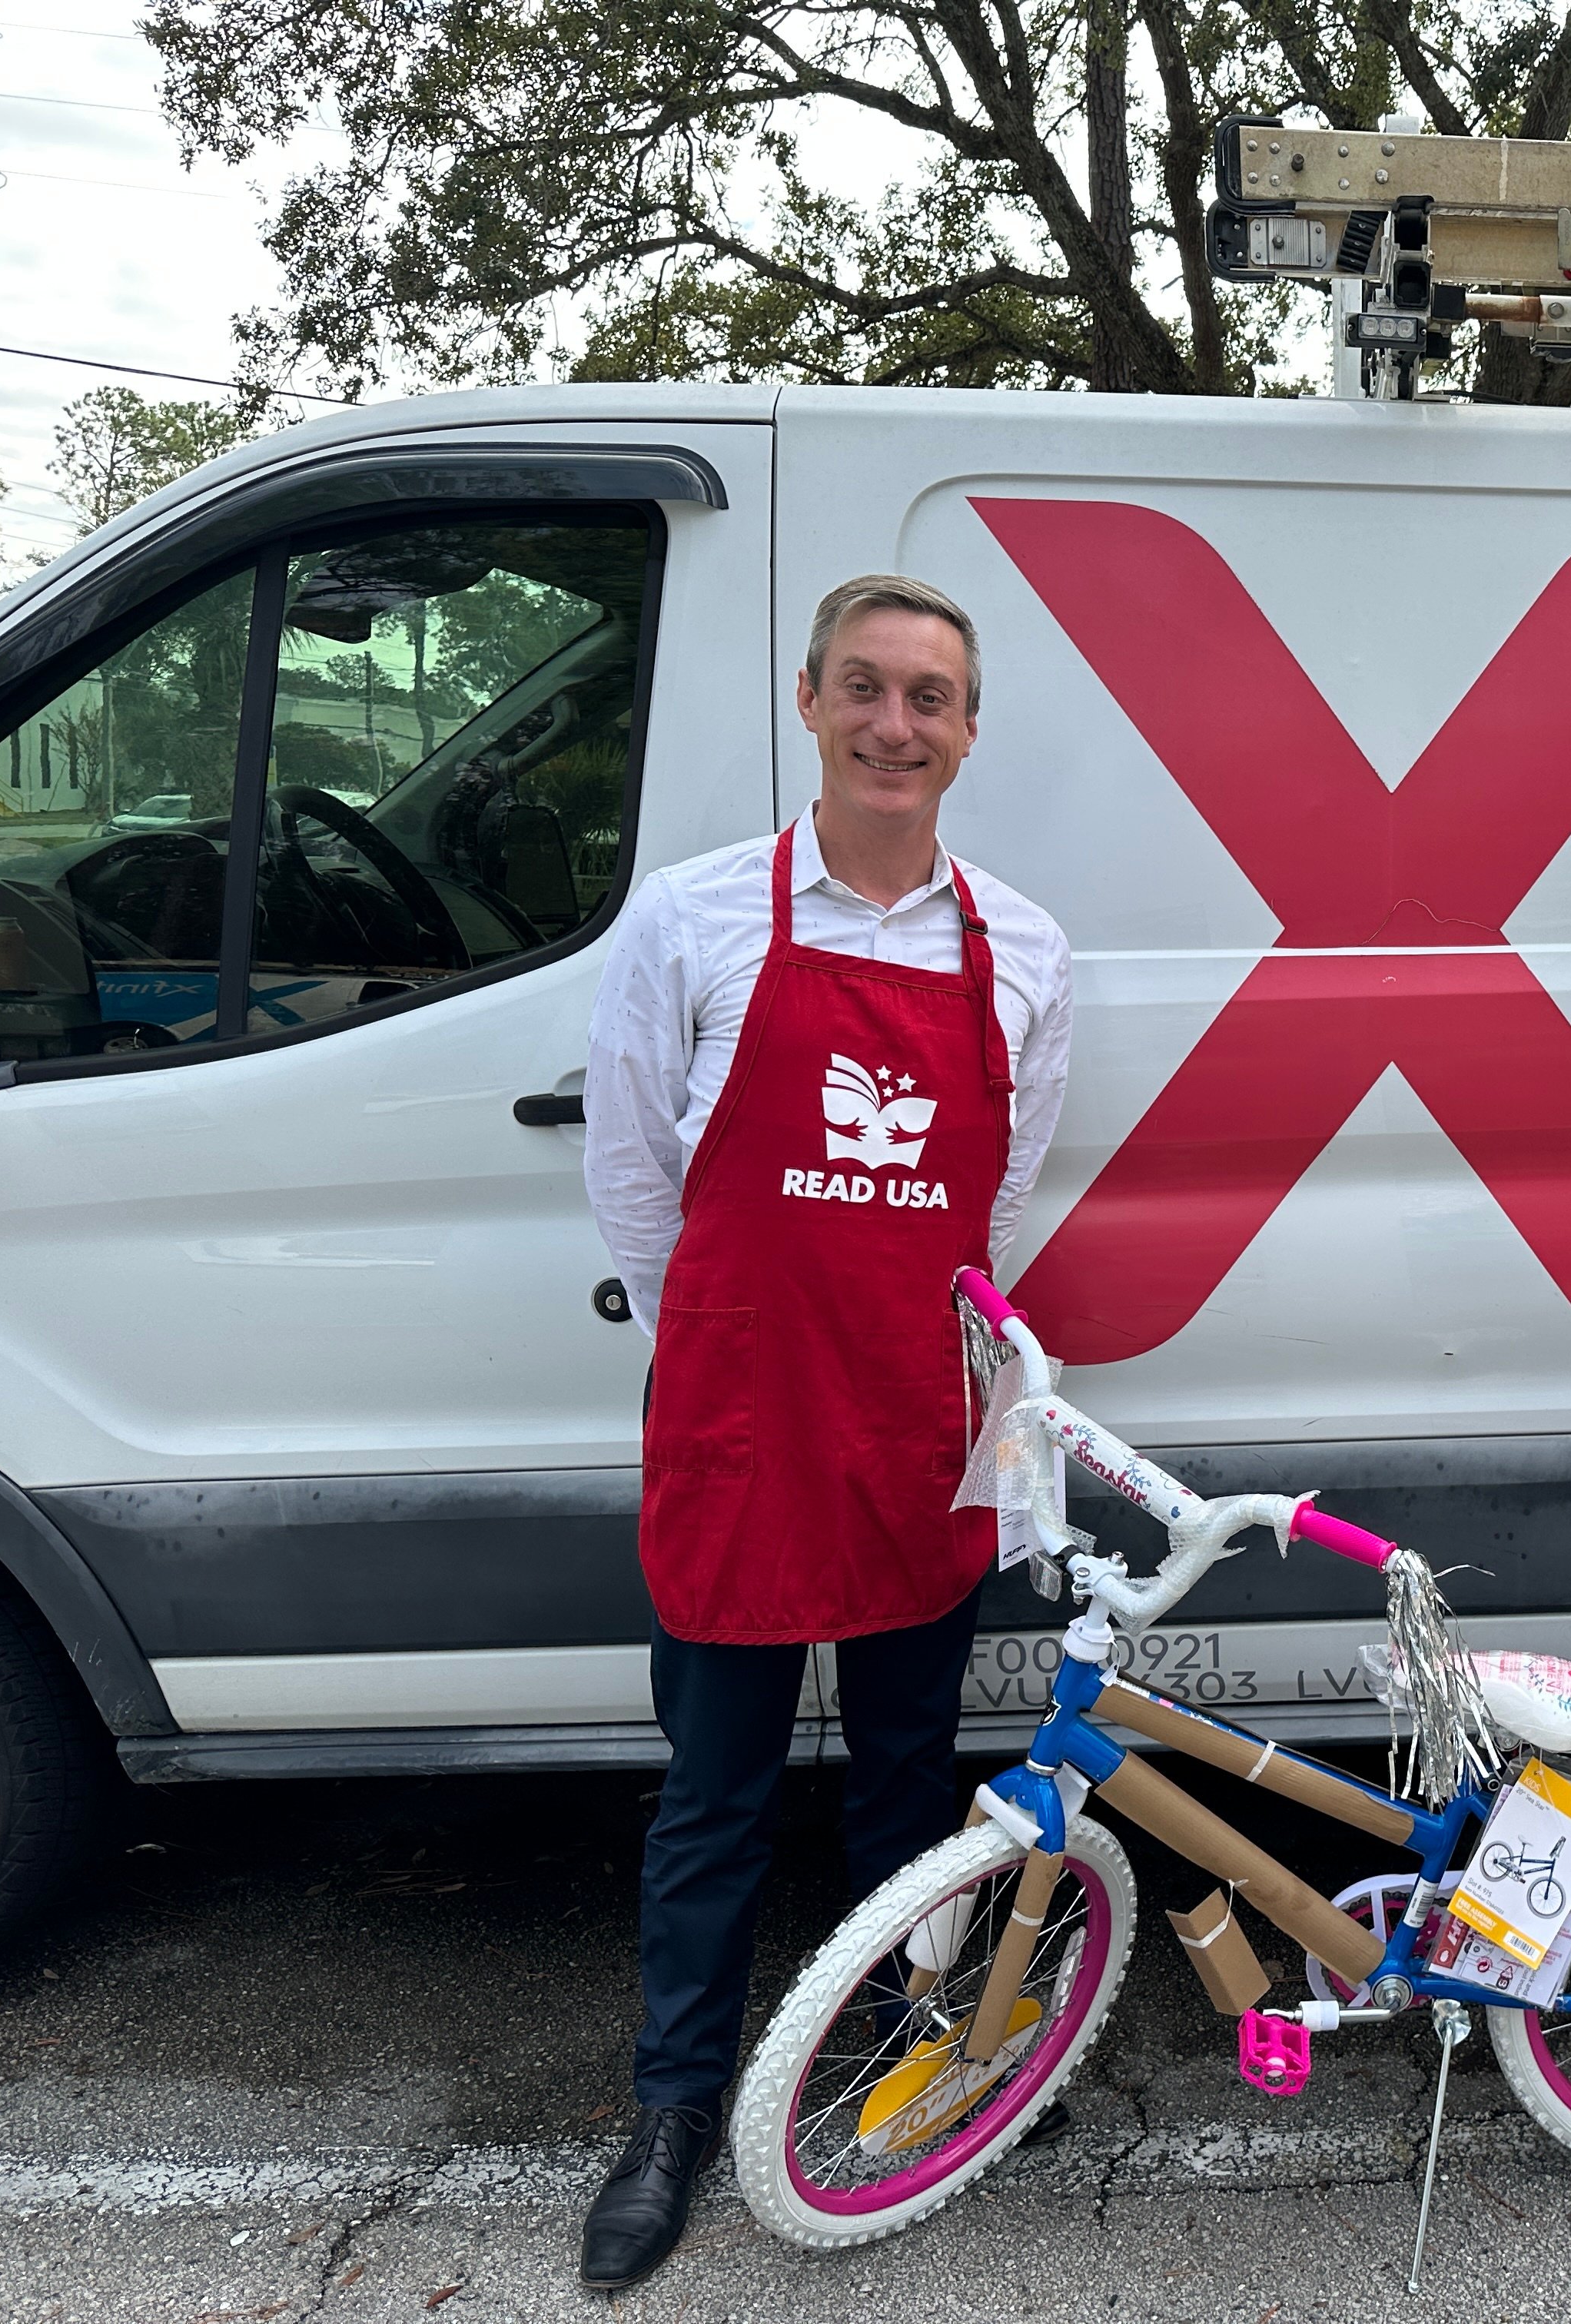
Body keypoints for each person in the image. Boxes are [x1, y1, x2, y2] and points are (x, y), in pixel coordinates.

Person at [575, 573, 1071, 2289]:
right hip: (734, 1419)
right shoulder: (696, 919)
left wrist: (895, 1350)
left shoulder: (1023, 951)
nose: (894, 725)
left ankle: (916, 2060)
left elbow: (997, 1199)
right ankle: (672, 2111)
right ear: (807, 703)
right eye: (865, 689)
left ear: (968, 732)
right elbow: (634, 1180)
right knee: (709, 1798)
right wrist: (721, 1343)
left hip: (908, 1426)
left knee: (911, 1794)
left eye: (929, 699)